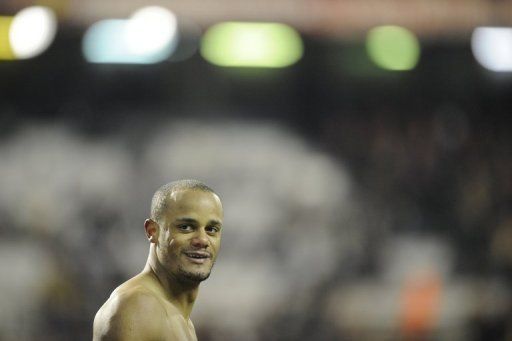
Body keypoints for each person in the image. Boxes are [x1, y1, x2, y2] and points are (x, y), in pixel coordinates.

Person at [93, 180, 223, 341]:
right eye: (186, 227)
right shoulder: (137, 306)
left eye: (211, 229)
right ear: (152, 231)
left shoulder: (181, 321)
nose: (202, 240)